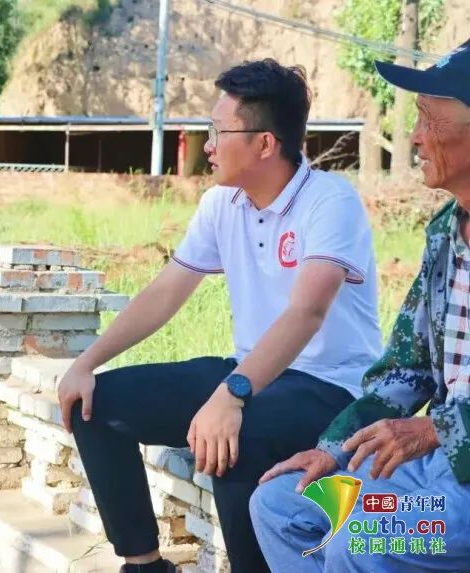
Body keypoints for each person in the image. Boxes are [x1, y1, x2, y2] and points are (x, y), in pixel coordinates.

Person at [56, 58, 383, 573]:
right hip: (250, 372)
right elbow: (166, 292)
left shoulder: (330, 200)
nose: (206, 146)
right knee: (95, 406)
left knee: (236, 435)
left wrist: (232, 395)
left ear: (264, 144)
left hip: (329, 386)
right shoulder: (222, 203)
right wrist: (85, 363)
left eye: (217, 132)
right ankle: (144, 565)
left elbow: (307, 312)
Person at [250, 39, 470, 573]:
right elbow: (406, 369)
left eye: (430, 120)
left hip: (458, 477)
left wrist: (437, 429)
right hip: (438, 466)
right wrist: (333, 449)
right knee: (281, 506)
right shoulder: (446, 234)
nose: (415, 137)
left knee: (365, 537)